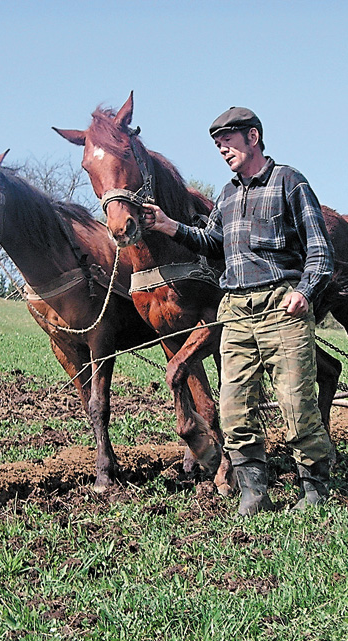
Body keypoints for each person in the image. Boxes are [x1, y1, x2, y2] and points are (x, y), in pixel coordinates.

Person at [141, 106, 336, 516]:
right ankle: (254, 494)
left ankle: (316, 492)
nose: (221, 149)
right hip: (236, 309)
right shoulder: (228, 195)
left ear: (253, 137)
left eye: (227, 140)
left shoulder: (290, 182)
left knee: (297, 405)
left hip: (281, 305)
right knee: (234, 407)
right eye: (217, 144)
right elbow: (214, 243)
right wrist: (167, 225)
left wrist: (304, 292)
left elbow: (320, 250)